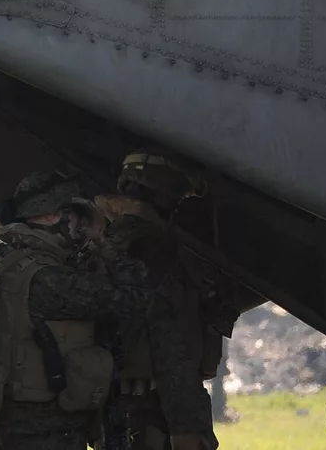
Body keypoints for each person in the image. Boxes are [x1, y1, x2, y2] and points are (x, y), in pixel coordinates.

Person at [0, 172, 148, 450]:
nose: (80, 225)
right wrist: (103, 241)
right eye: (76, 216)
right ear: (52, 217)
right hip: (43, 428)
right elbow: (135, 298)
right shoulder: (48, 279)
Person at [97, 150, 233, 450]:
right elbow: (171, 346)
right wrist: (188, 428)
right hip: (152, 410)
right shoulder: (152, 252)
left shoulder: (104, 244)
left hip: (118, 407)